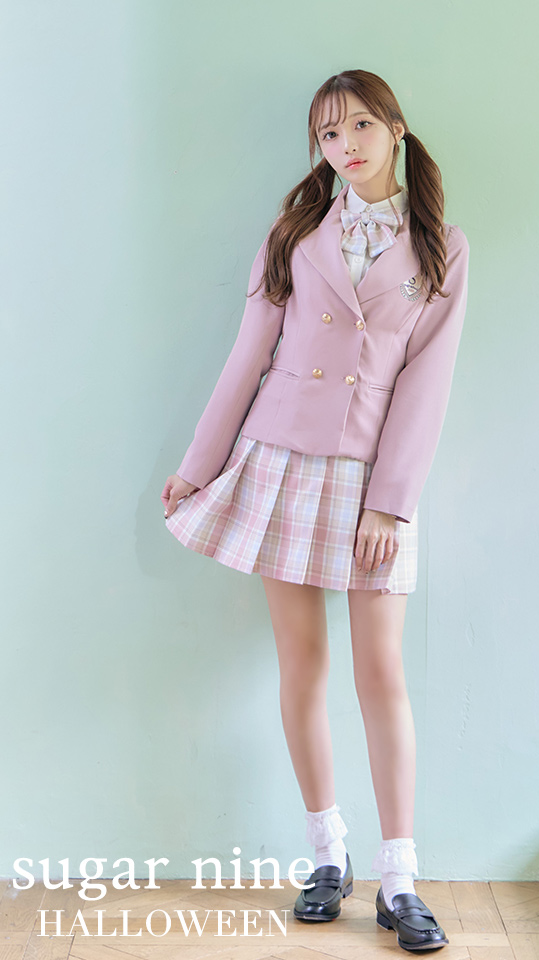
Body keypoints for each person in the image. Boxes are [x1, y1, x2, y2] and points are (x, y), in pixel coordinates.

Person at [161, 68, 469, 952]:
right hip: (278, 465)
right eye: (330, 134)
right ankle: (327, 856)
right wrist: (198, 467)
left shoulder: (441, 246)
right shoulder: (295, 232)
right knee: (301, 664)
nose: (346, 146)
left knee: (382, 674)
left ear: (396, 129)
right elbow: (247, 355)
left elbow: (428, 387)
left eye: (361, 125)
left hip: (370, 483)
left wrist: (391, 505)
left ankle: (400, 877)